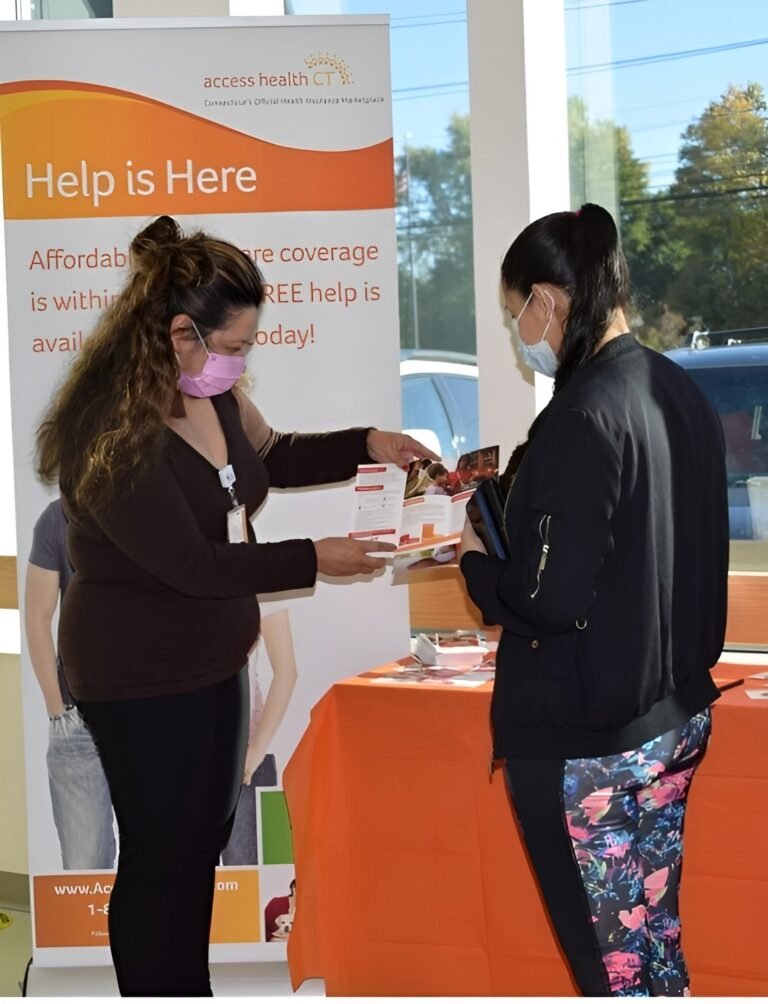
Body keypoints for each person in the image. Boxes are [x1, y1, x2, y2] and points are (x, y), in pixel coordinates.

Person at [34, 215, 436, 997]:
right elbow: (190, 563)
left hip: (214, 660)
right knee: (160, 859)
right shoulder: (111, 434)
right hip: (138, 678)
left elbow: (274, 456)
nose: (243, 361)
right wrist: (316, 557)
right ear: (181, 333)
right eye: (236, 345)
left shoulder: (209, 394)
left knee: (199, 847)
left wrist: (371, 441)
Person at [460, 203, 728, 997]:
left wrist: (478, 566)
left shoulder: (580, 417)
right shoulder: (674, 388)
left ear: (550, 299)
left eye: (519, 314)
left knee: (610, 968)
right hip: (670, 717)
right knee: (651, 943)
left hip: (592, 743)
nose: (522, 333)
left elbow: (547, 597)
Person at [24, 498, 116, 871]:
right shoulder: (57, 518)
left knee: (160, 867)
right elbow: (37, 615)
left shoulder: (157, 504)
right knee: (84, 870)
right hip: (78, 721)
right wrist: (56, 709)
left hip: (150, 721)